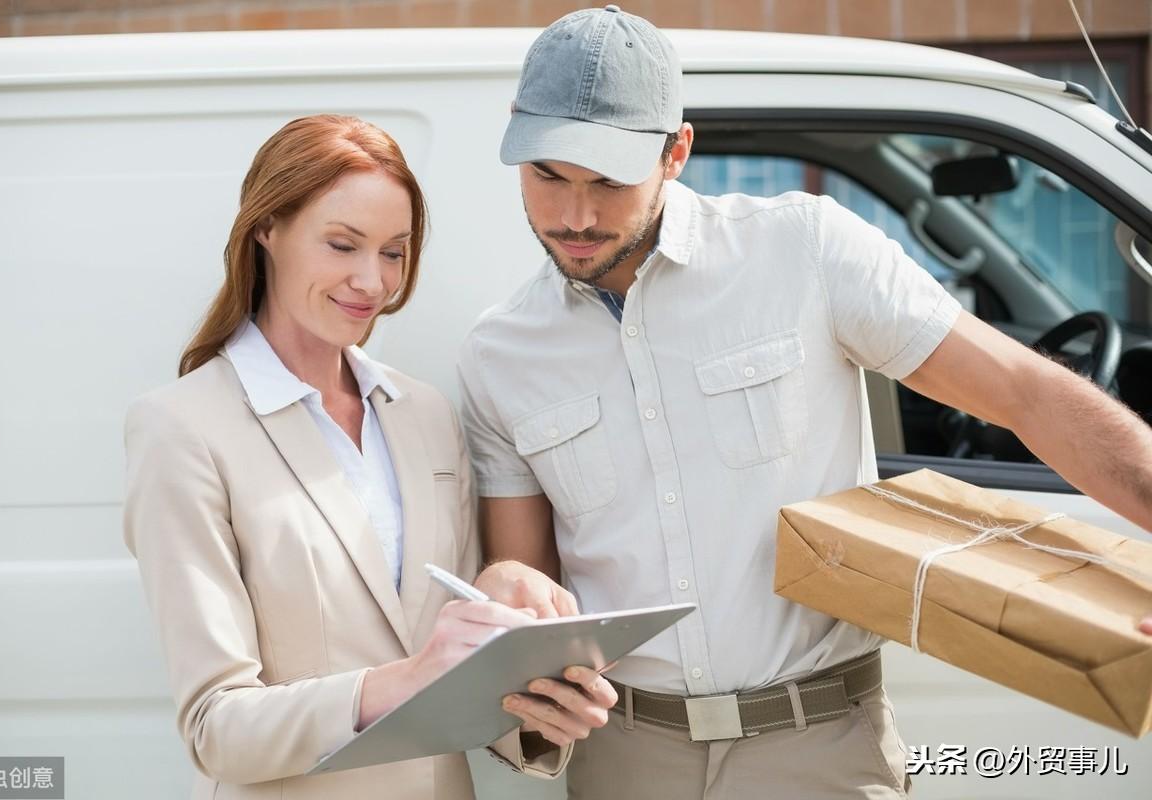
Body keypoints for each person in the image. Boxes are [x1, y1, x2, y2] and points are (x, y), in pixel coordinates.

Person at [460, 7, 1152, 800]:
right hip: (626, 762)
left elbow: (1026, 393)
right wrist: (506, 593)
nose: (575, 217)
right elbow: (525, 581)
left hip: (819, 750)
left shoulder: (806, 252)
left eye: (609, 182)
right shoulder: (497, 355)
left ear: (676, 151)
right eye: (548, 175)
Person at [122, 114, 614, 800]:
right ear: (267, 229)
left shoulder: (425, 415)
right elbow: (216, 728)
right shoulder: (181, 429)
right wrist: (407, 680)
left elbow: (457, 667)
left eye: (393, 251)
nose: (372, 281)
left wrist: (539, 710)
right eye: (342, 245)